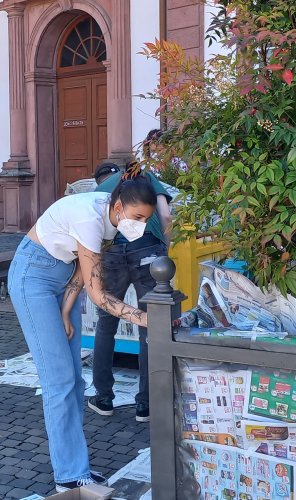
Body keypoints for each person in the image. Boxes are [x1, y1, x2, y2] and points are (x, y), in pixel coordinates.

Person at [7, 174, 157, 492]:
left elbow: (79, 267)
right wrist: (144, 318)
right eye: (139, 217)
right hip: (32, 276)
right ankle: (69, 476)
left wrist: (64, 310)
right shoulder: (90, 217)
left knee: (75, 380)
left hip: (60, 282)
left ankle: (77, 467)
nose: (141, 225)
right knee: (59, 382)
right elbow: (99, 295)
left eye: (147, 219)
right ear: (118, 205)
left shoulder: (112, 220)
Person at [87, 156, 174, 423]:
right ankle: (146, 404)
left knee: (106, 321)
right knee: (150, 325)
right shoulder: (148, 178)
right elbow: (166, 215)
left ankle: (103, 397)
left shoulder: (102, 189)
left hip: (110, 252)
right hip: (147, 250)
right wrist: (165, 250)